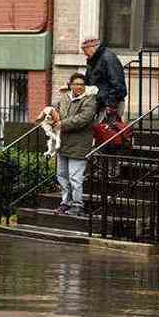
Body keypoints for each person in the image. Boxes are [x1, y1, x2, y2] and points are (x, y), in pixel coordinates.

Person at [53, 72, 98, 217]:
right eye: (76, 84)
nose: (78, 87)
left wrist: (61, 124)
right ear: (70, 85)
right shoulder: (65, 98)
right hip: (63, 144)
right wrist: (51, 117)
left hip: (79, 145)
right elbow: (57, 111)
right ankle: (65, 202)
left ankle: (78, 205)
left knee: (75, 177)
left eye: (81, 84)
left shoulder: (89, 100)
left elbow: (83, 119)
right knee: (62, 176)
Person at [82, 38, 127, 120]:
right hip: (101, 104)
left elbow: (118, 84)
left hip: (109, 105)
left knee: (108, 131)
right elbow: (89, 82)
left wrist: (110, 105)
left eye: (85, 50)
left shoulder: (108, 58)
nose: (85, 54)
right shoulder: (94, 60)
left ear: (92, 47)